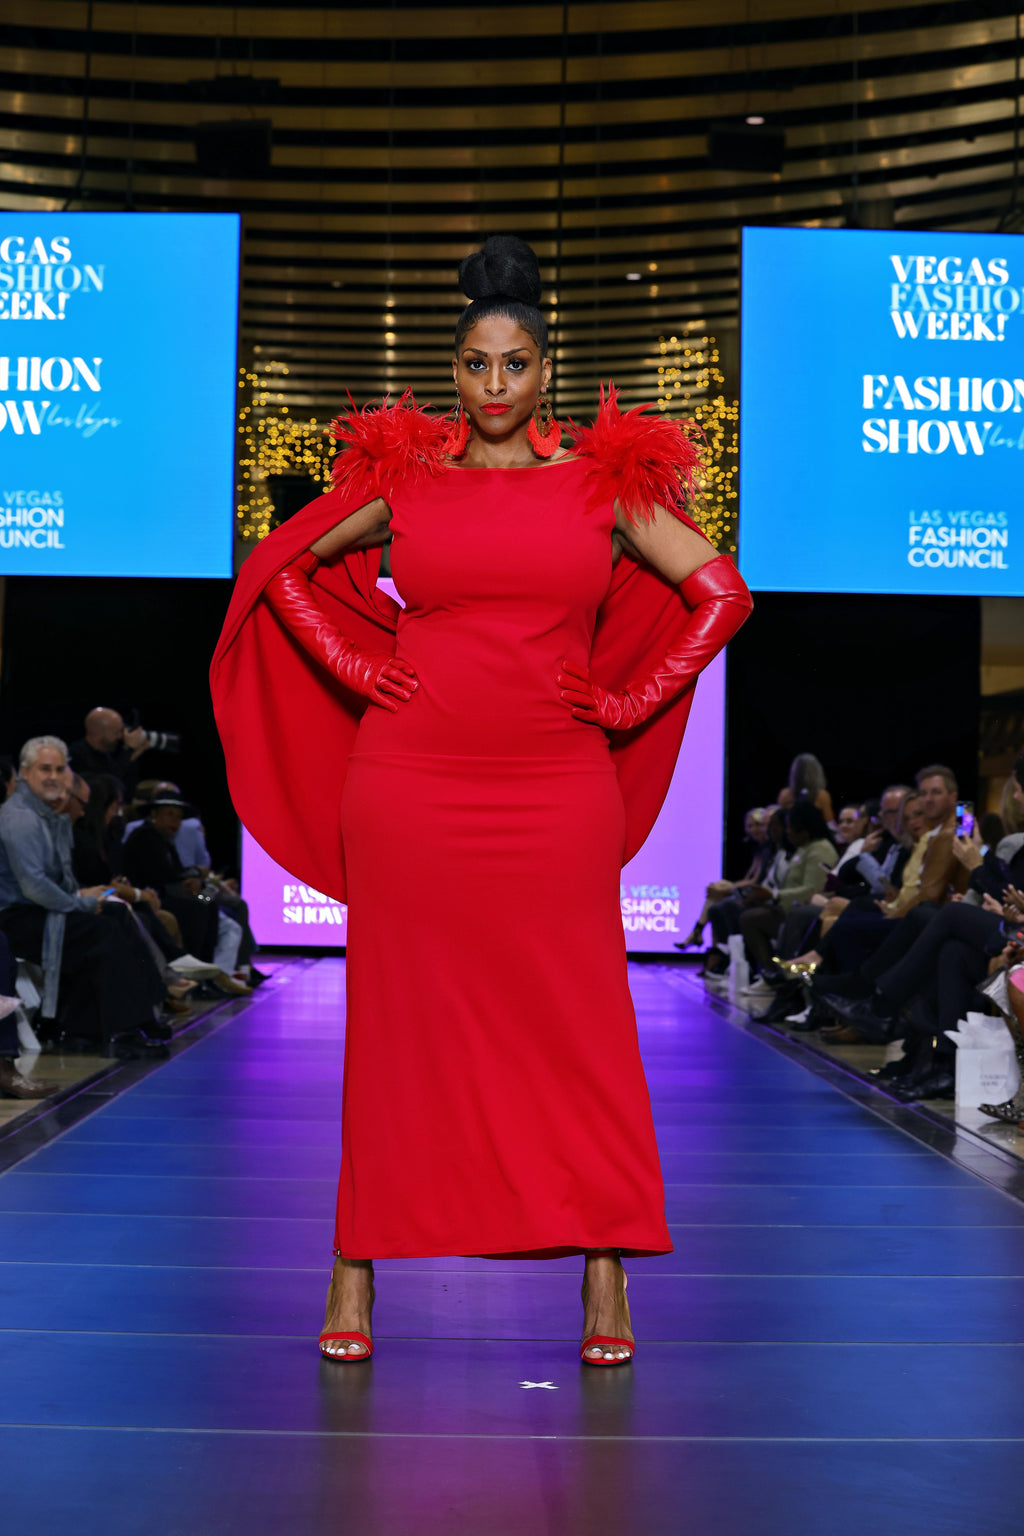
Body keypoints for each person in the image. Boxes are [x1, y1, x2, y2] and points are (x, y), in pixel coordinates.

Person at [211, 233, 753, 1366]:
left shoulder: (600, 485)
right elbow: (280, 568)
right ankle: (353, 1270)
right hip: (409, 782)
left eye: (513, 365)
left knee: (579, 1027)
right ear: (449, 370)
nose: (494, 385)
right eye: (473, 364)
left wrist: (633, 693)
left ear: (546, 370)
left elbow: (719, 592)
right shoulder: (405, 478)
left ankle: (604, 1275)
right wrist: (355, 671)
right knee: (397, 1027)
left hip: (556, 786)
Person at [0, 737, 167, 1055]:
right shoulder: (20, 817)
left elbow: (55, 879)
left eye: (59, 769)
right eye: (44, 769)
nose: (52, 776)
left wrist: (79, 896)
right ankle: (124, 1030)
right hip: (15, 919)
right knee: (101, 930)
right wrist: (82, 902)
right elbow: (34, 887)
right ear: (24, 772)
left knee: (115, 914)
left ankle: (105, 1024)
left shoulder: (44, 813)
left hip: (37, 910)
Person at [69, 707, 153, 800]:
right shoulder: (77, 754)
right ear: (99, 732)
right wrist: (128, 749)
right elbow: (106, 785)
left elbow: (127, 789)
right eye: (117, 732)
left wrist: (135, 753)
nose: (121, 736)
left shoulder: (109, 754)